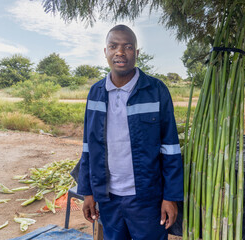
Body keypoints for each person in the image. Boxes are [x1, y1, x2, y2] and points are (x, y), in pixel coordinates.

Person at [77, 24, 184, 240]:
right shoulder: (95, 92)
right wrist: (88, 192)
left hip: (147, 198)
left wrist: (170, 197)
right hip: (108, 198)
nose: (120, 52)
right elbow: (89, 146)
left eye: (127, 46)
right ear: (105, 52)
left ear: (136, 53)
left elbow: (170, 148)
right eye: (113, 46)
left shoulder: (156, 90)